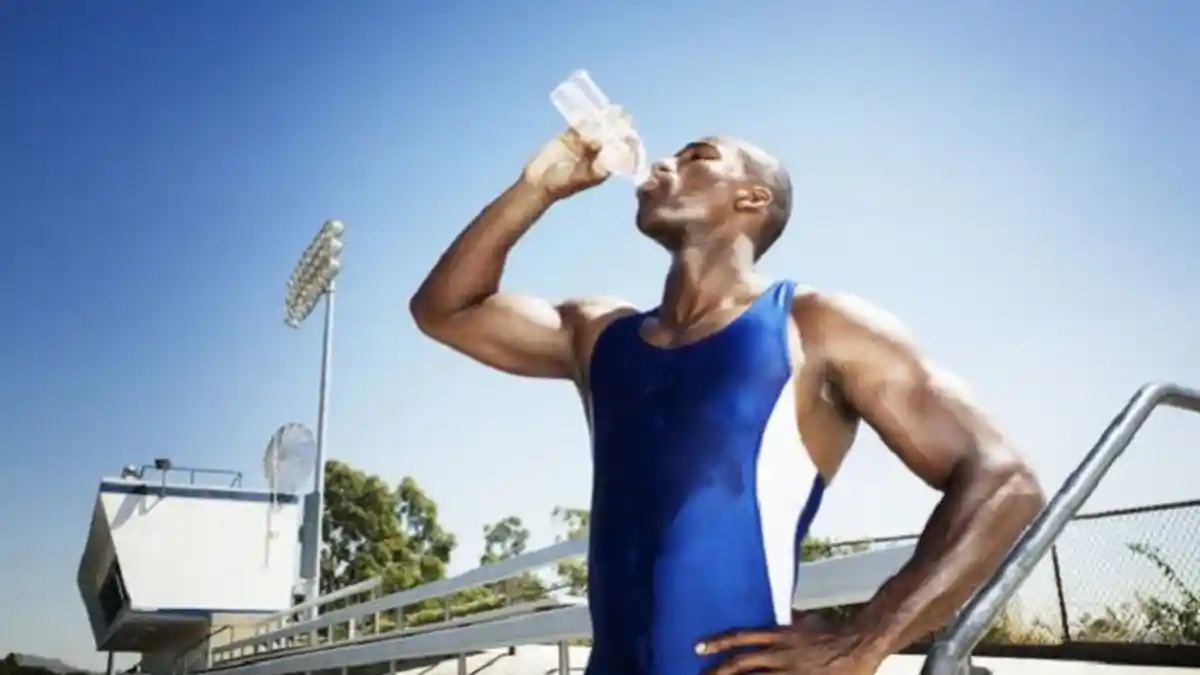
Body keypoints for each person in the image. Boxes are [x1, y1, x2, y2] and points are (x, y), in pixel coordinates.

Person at [409, 126, 1046, 675]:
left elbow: (1004, 481)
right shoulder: (598, 333)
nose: (662, 164)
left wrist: (868, 636)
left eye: (697, 157)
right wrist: (538, 187)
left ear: (752, 197)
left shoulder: (816, 326)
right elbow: (445, 309)